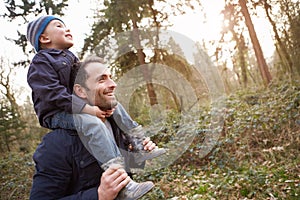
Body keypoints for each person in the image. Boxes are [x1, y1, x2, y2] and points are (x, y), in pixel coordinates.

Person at [26, 15, 165, 165]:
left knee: (114, 104)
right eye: (59, 26)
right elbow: (53, 94)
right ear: (44, 38)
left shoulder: (71, 58)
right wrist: (88, 109)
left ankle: (138, 142)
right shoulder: (41, 62)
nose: (67, 29)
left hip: (76, 106)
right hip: (56, 114)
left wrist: (100, 105)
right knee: (90, 122)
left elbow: (84, 86)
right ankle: (115, 170)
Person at [30, 56, 160, 199]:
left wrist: (137, 153)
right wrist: (99, 195)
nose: (113, 84)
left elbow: (126, 168)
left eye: (111, 77)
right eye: (102, 79)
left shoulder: (115, 125)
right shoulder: (57, 143)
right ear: (81, 91)